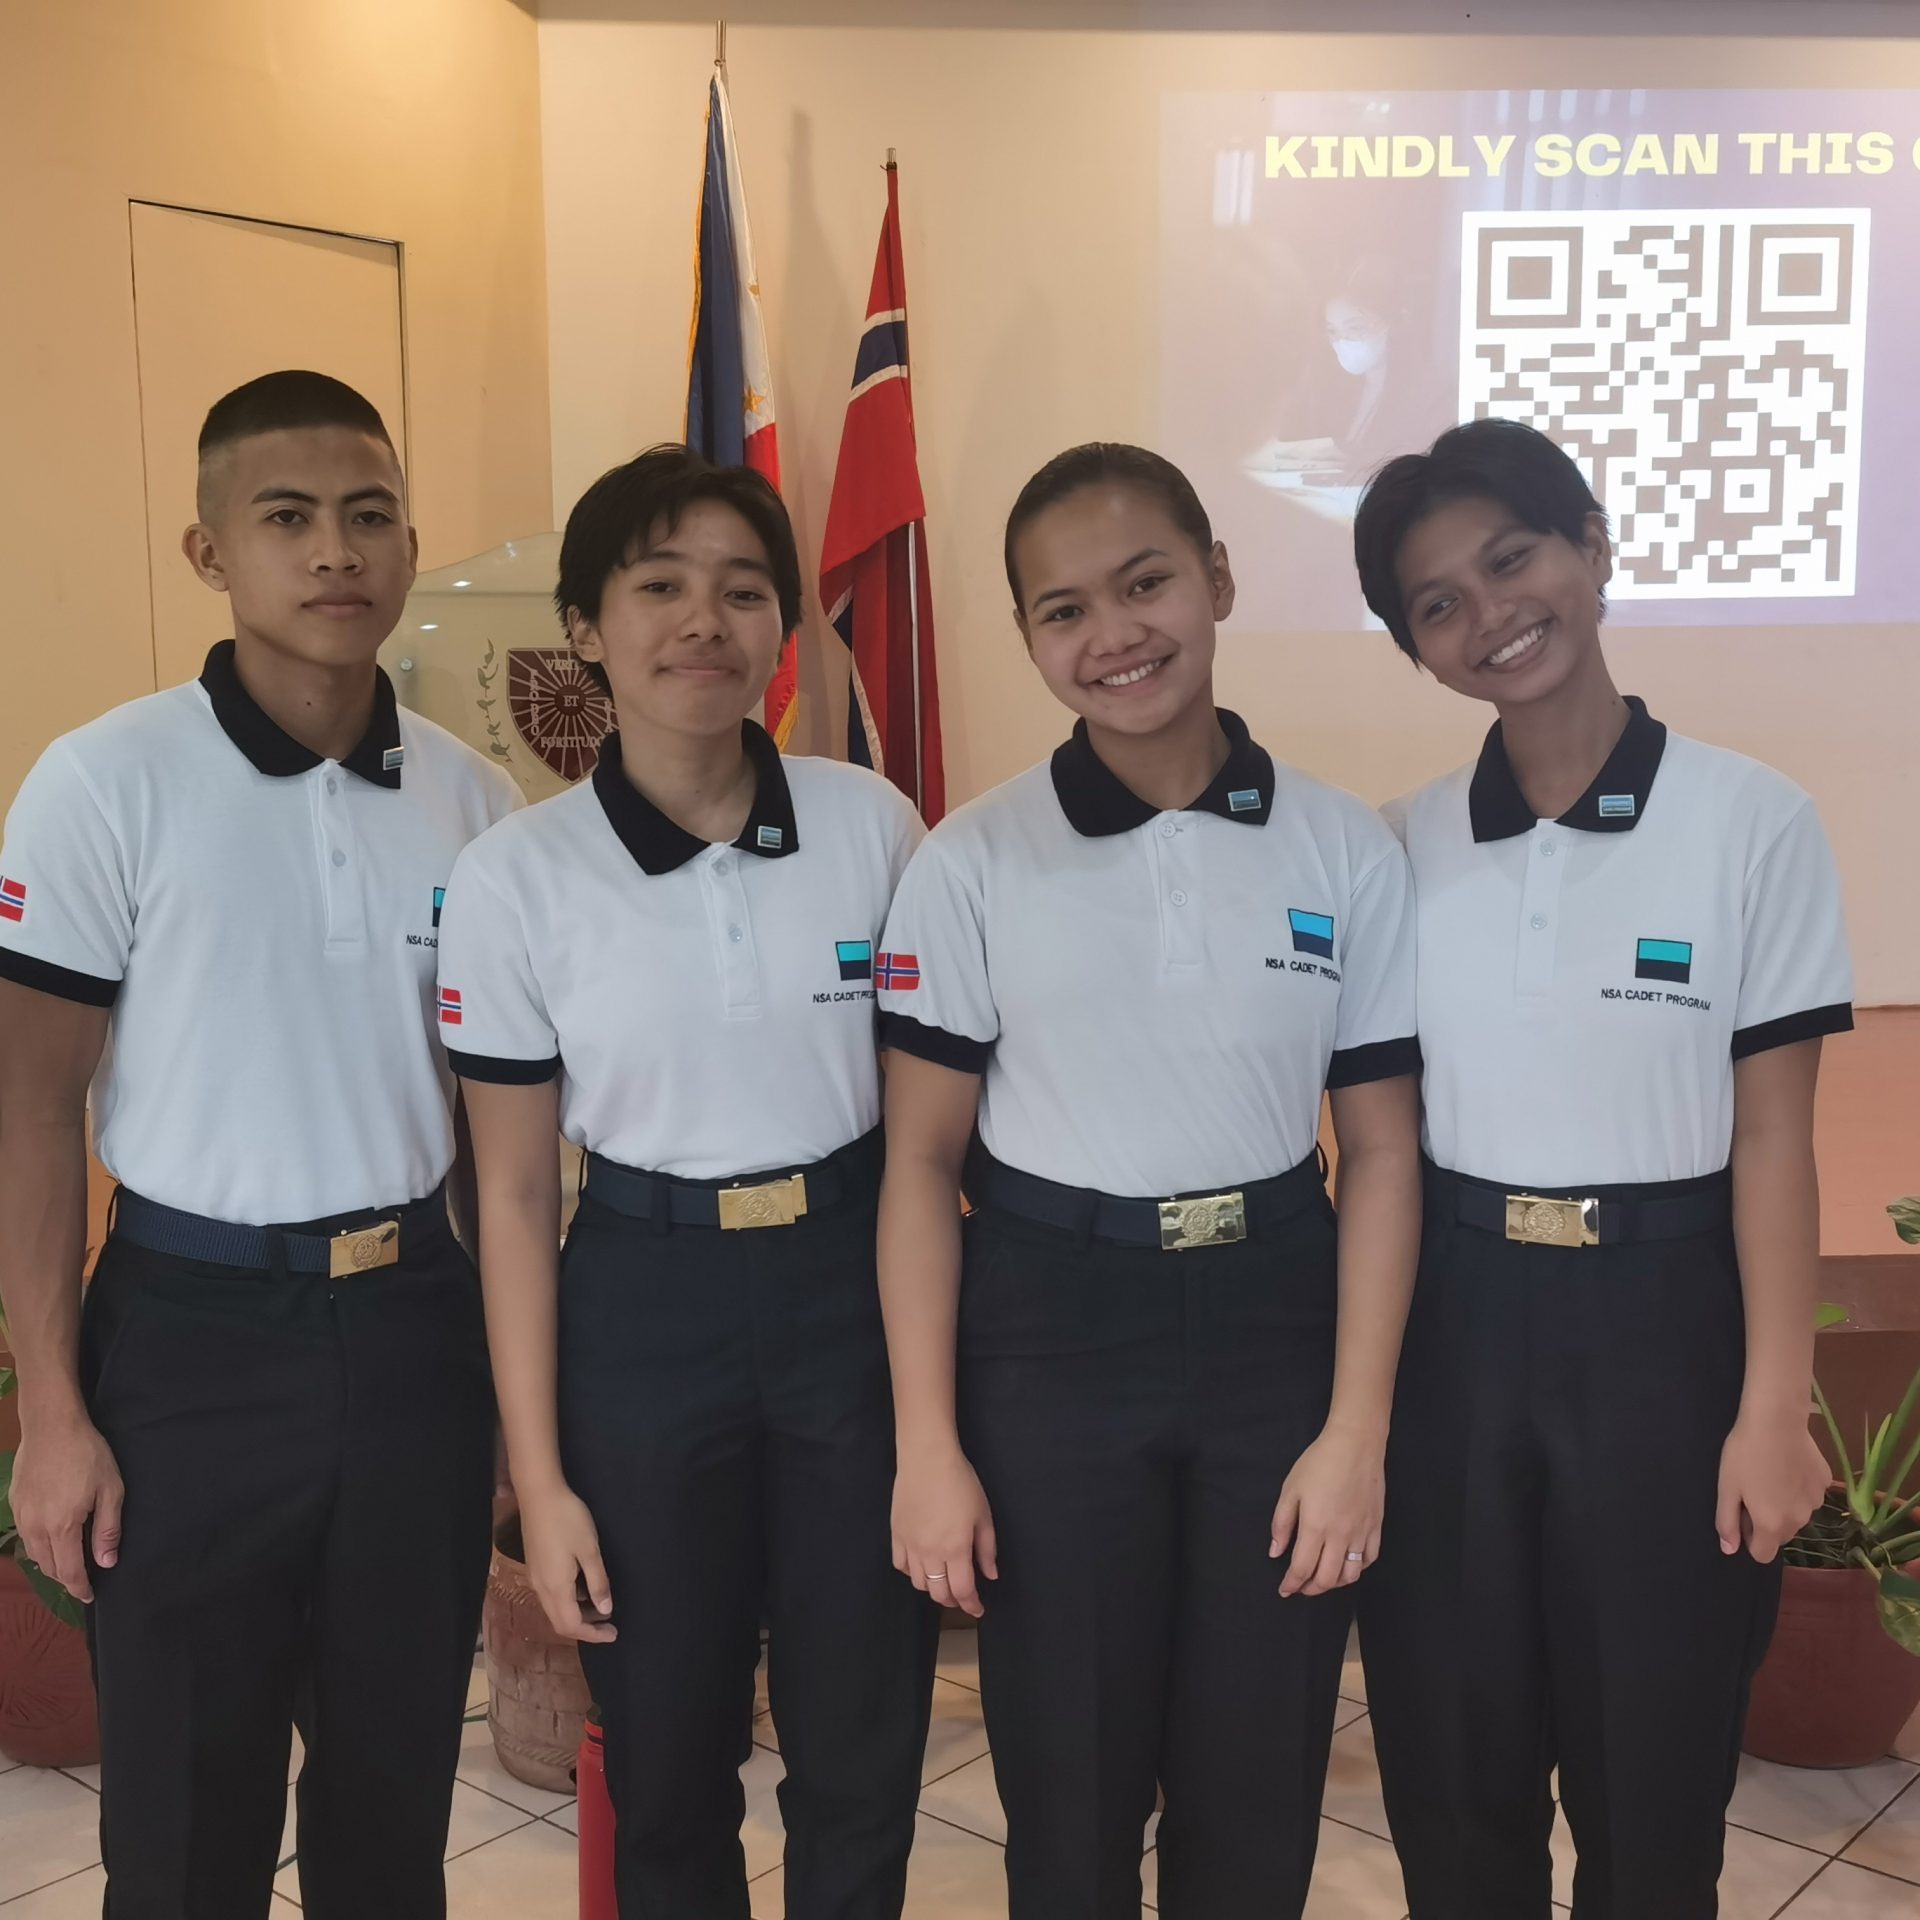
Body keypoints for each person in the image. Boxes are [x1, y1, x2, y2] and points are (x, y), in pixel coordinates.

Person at [875, 442, 1424, 1918]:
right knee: (1070, 1784)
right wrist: (929, 1444)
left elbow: (1381, 1151)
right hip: (1050, 1330)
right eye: (1064, 611)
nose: (1113, 635)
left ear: (1217, 579)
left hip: (1276, 1318)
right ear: (1027, 638)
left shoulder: (1342, 846)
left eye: (1145, 584)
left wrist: (1355, 1431)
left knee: (1258, 1779)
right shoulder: (973, 862)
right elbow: (919, 1166)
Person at [0, 370, 519, 1917]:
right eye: (287, 518)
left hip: (413, 1331)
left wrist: (516, 1397)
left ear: (410, 542)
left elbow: (494, 1139)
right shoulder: (104, 782)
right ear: (209, 549)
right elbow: (29, 1106)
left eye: (369, 516)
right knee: (181, 1826)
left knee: (391, 1810)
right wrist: (53, 1412)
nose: (335, 552)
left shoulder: (477, 803)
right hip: (189, 1341)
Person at [1350, 418, 1850, 1919]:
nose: (1491, 614)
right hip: (1455, 1327)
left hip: (1665, 1330)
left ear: (1593, 545)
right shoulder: (1398, 849)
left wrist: (1773, 1407)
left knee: (1655, 1789)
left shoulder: (1752, 821)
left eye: (1513, 559)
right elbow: (1377, 1143)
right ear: (1417, 651)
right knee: (1455, 1774)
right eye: (1439, 603)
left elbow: (1775, 1136)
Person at [437, 444, 938, 1919]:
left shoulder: (874, 826)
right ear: (585, 626)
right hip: (641, 1309)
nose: (703, 621)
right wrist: (539, 1480)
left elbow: (930, 1136)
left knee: (861, 1742)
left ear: (784, 622)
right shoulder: (518, 877)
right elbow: (512, 1196)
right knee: (664, 1757)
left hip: (854, 1292)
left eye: (742, 588)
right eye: (658, 586)